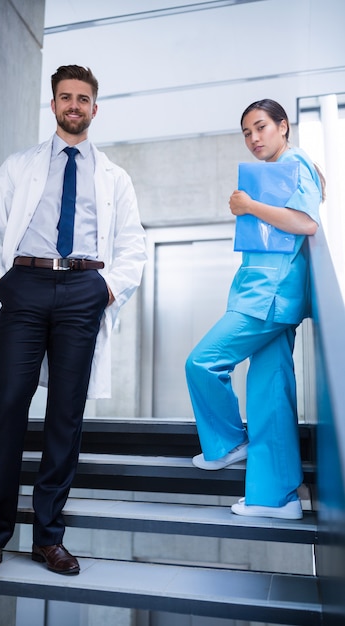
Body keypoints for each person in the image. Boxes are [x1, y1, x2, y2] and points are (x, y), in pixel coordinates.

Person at [0, 65, 146, 577]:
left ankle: (48, 537)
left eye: (83, 98)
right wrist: (1, 282)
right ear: (53, 104)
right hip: (25, 287)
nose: (74, 105)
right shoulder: (20, 165)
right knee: (7, 409)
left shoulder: (114, 176)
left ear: (94, 107)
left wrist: (105, 290)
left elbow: (133, 243)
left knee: (66, 416)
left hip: (83, 290)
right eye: (65, 97)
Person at [185, 99, 324, 520]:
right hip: (268, 296)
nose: (253, 138)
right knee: (269, 394)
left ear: (283, 127)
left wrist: (248, 206)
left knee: (202, 363)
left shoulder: (294, 161)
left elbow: (306, 223)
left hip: (269, 297)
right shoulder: (283, 169)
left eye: (261, 127)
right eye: (246, 132)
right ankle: (277, 497)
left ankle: (228, 443)